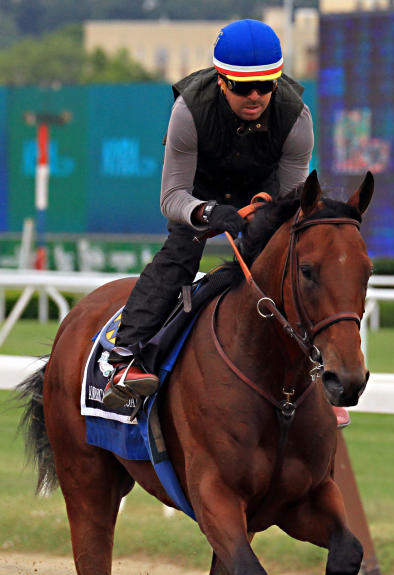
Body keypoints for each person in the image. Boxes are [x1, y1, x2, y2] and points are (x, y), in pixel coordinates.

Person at [103, 18, 314, 409]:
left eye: (266, 85)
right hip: (199, 192)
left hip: (262, 190)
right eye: (242, 87)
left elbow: (293, 203)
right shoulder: (188, 111)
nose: (255, 97)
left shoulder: (297, 118)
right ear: (221, 80)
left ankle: (318, 366)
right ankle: (126, 357)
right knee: (181, 255)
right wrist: (206, 211)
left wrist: (265, 214)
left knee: (290, 255)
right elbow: (171, 197)